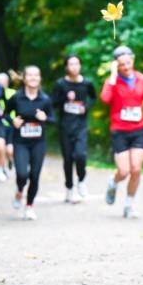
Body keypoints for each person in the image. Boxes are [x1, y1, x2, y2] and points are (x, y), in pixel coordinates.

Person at [99, 45, 143, 219]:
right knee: (124, 171)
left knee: (136, 169)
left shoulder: (142, 79)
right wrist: (112, 75)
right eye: (121, 64)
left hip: (139, 129)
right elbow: (105, 98)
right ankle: (114, 182)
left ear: (133, 60)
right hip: (120, 131)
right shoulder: (112, 81)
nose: (125, 67)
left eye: (128, 63)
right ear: (116, 65)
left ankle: (129, 204)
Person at [6, 66, 54, 220]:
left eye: (36, 75)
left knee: (34, 175)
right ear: (25, 78)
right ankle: (19, 190)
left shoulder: (45, 99)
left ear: (39, 79)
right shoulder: (17, 97)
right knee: (22, 174)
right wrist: (12, 121)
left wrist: (45, 118)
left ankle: (29, 207)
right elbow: (5, 113)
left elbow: (53, 119)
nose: (33, 78)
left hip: (38, 143)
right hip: (20, 142)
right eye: (30, 75)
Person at [51, 55, 96, 203]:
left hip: (81, 126)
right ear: (66, 67)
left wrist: (86, 107)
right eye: (71, 64)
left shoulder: (87, 83)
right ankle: (69, 187)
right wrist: (65, 97)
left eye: (77, 64)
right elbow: (53, 104)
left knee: (81, 155)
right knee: (68, 159)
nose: (74, 67)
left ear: (80, 66)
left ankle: (81, 181)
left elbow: (93, 98)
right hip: (65, 126)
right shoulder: (60, 84)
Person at [0, 72, 16, 172]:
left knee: (8, 148)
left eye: (2, 81)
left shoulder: (13, 93)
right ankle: (2, 166)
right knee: (1, 146)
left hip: (10, 124)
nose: (1, 83)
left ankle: (9, 161)